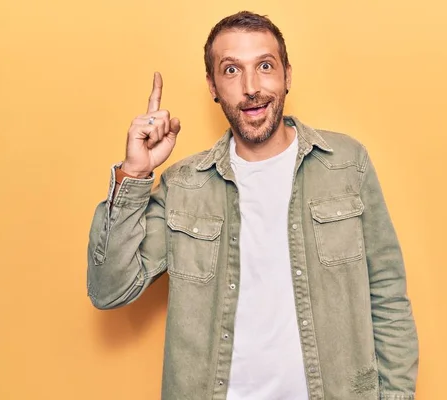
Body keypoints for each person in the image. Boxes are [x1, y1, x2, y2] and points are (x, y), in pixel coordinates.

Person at [87, 10, 419, 400]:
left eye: (265, 65)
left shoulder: (346, 163)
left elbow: (387, 292)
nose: (251, 87)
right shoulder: (184, 185)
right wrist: (134, 174)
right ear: (212, 85)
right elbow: (109, 290)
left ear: (287, 75)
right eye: (231, 70)